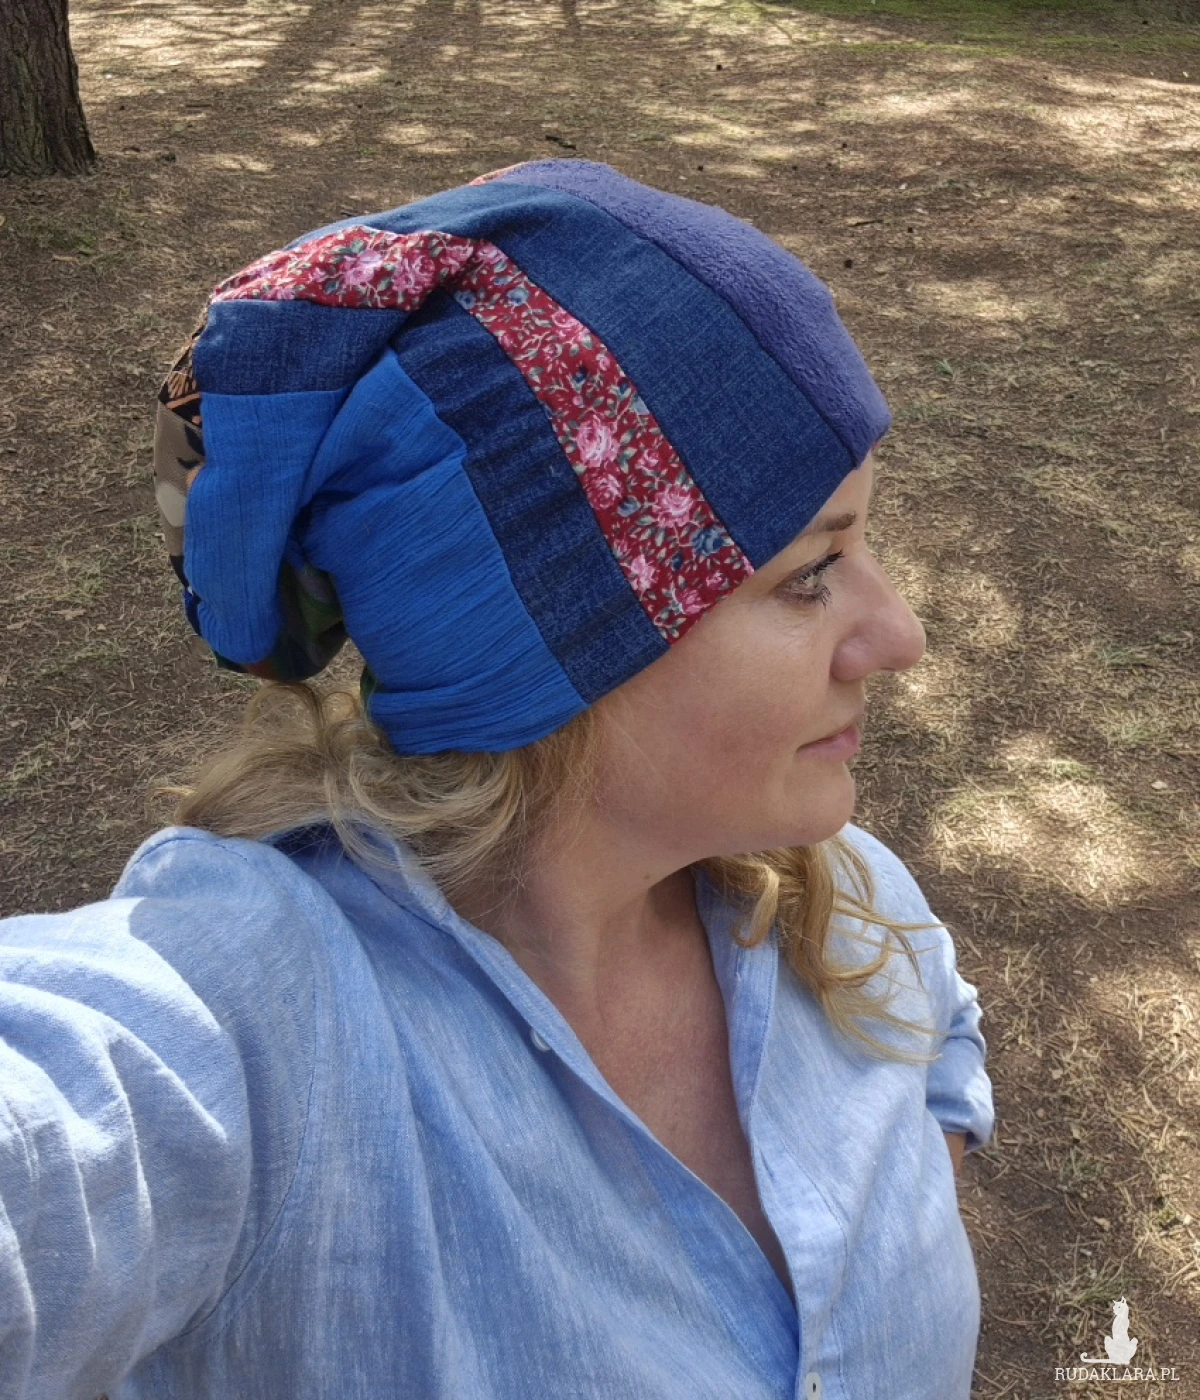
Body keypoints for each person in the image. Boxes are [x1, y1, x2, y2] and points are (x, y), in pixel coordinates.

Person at [0, 159, 994, 1400]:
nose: (900, 635)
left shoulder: (839, 899)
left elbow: (940, 1034)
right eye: (810, 572)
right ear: (555, 658)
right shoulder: (269, 1026)